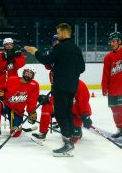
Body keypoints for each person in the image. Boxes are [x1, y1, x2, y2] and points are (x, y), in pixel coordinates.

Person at [24, 23, 85, 157]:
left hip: (61, 87)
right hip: (72, 87)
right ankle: (70, 142)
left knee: (61, 115)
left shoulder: (60, 47)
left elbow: (46, 59)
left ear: (64, 32)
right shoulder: (76, 48)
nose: (57, 35)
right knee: (68, 113)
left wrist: (35, 51)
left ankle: (67, 144)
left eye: (58, 32)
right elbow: (81, 68)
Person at [0, 66, 39, 140]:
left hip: (17, 111)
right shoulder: (12, 80)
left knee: (15, 134)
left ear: (33, 76)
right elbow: (2, 88)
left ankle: (19, 127)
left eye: (30, 73)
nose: (28, 74)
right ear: (23, 73)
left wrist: (31, 114)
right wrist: (0, 92)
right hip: (6, 105)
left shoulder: (34, 85)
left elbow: (32, 102)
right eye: (27, 72)